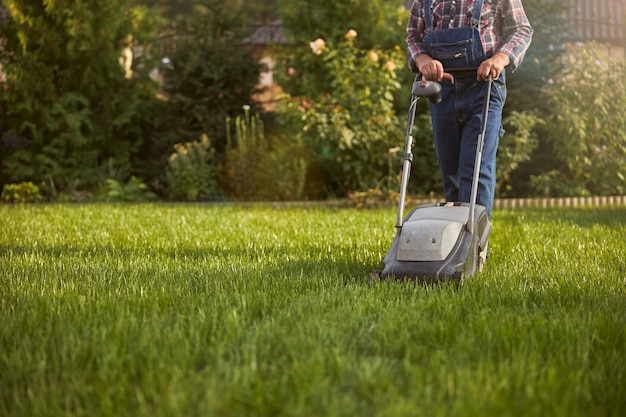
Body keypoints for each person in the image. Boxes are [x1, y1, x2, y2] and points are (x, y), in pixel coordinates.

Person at [406, 0, 532, 264]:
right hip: (442, 89)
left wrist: (499, 58)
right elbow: (413, 36)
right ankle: (452, 243)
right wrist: (423, 59)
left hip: (484, 86)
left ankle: (476, 249)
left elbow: (521, 29)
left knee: (475, 167)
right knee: (450, 168)